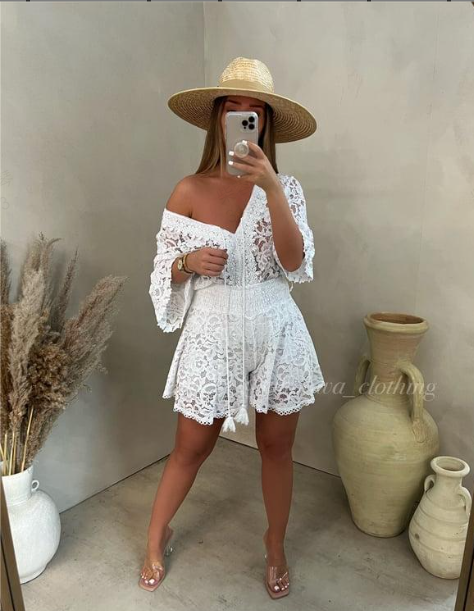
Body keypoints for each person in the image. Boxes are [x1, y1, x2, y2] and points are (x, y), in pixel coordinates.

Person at [140, 57, 325, 599]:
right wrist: (186, 262)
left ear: (265, 124)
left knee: (276, 448)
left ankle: (275, 544)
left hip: (276, 329)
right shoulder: (189, 189)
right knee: (190, 446)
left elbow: (294, 263)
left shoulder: (287, 189)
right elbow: (162, 271)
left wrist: (271, 189)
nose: (245, 118)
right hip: (212, 331)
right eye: (234, 109)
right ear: (217, 119)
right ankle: (155, 536)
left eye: (255, 111)